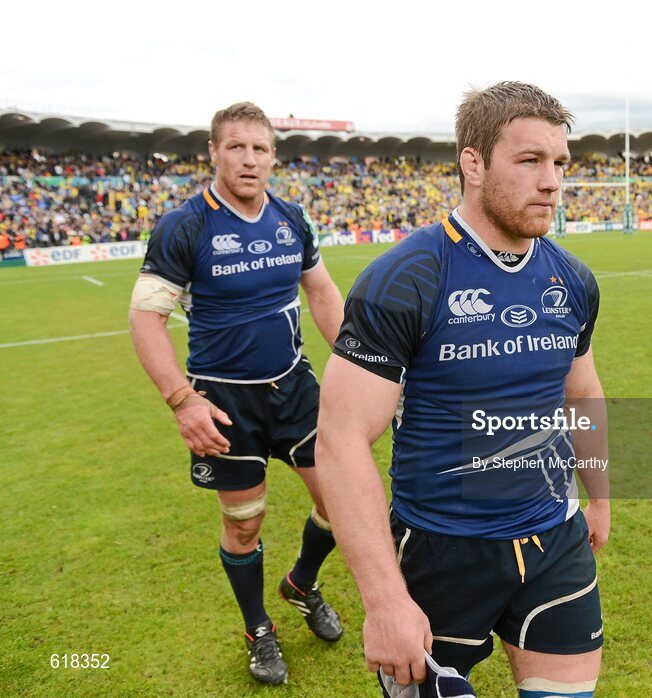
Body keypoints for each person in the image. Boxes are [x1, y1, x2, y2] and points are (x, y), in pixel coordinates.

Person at [317, 82, 610, 698]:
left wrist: (600, 495)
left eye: (560, 163)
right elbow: (341, 441)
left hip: (555, 541)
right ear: (472, 164)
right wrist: (384, 600)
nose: (553, 181)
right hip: (440, 553)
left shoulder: (572, 279)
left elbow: (581, 392)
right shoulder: (405, 279)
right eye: (530, 161)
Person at [128, 102, 345, 685]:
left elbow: (321, 293)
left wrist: (360, 361)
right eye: (237, 148)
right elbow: (146, 319)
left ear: (274, 155)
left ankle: (301, 581)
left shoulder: (291, 217)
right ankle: (258, 629)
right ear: (214, 153)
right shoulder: (185, 226)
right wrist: (182, 400)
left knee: (339, 503)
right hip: (226, 404)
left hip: (296, 388)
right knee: (245, 522)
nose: (249, 160)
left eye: (260, 149)